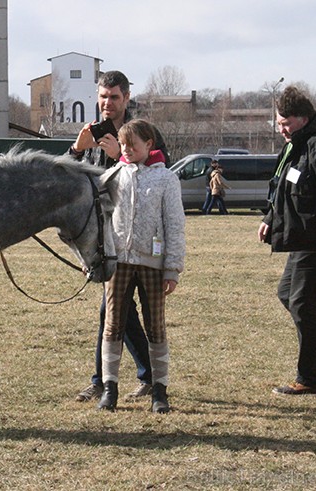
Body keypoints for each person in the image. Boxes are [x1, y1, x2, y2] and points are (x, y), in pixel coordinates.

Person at [68, 71, 171, 403]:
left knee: (113, 312)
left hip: (139, 240)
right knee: (116, 311)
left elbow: (158, 175)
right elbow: (73, 180)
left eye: (113, 97)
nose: (106, 103)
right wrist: (75, 149)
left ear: (126, 97)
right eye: (102, 96)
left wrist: (118, 157)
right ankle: (136, 376)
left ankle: (110, 380)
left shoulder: (143, 133)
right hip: (103, 235)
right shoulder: (94, 132)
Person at [258, 85, 316, 396]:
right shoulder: (297, 145)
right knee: (288, 294)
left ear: (303, 118)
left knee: (302, 303)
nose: (282, 129)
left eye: (286, 123)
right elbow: (285, 187)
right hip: (300, 238)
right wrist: (270, 219)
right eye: (279, 122)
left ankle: (310, 378)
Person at [97, 119, 186, 413]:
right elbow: (102, 223)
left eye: (133, 145)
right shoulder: (112, 176)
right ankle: (110, 388)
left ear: (149, 144)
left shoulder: (166, 179)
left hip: (153, 264)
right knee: (113, 326)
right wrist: (100, 260)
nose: (127, 150)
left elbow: (175, 225)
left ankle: (159, 391)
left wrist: (172, 269)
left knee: (155, 327)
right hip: (119, 263)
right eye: (123, 145)